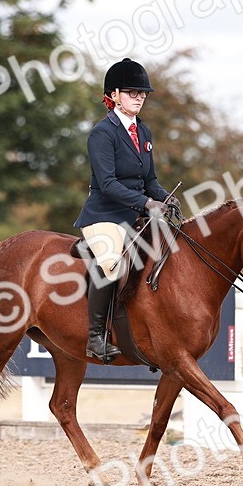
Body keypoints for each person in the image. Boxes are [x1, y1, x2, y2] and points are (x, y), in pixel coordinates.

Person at [74, 58, 173, 363]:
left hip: (136, 215)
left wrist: (165, 198)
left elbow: (150, 180)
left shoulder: (143, 133)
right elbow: (107, 184)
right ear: (114, 95)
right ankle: (96, 337)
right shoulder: (103, 134)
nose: (139, 97)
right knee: (111, 261)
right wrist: (145, 203)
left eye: (143, 93)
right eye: (132, 92)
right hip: (105, 214)